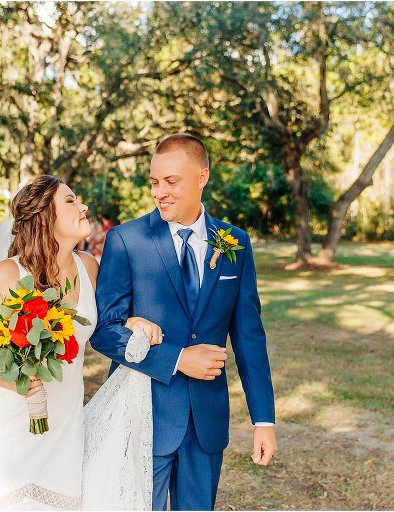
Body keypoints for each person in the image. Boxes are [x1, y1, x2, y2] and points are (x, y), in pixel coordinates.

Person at [0, 175, 163, 510]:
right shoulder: (5, 276)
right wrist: (18, 381)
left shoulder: (90, 268)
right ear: (44, 218)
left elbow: (109, 319)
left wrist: (133, 321)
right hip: (4, 430)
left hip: (64, 429)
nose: (83, 206)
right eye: (70, 201)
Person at [91, 133, 277, 510]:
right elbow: (104, 331)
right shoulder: (126, 240)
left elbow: (249, 337)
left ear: (201, 177)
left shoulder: (235, 242)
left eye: (171, 181)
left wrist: (264, 420)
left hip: (207, 422)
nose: (160, 193)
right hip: (146, 414)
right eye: (154, 182)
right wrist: (177, 359)